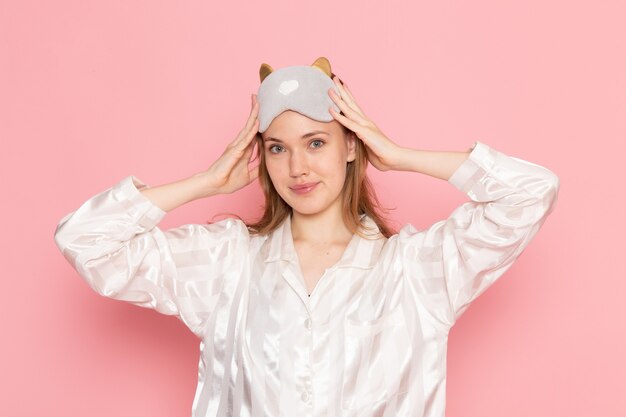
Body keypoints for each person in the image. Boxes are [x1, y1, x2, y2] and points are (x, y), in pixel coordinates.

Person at [54, 56, 560, 417]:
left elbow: (531, 193)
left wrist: (400, 154)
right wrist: (206, 182)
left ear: (349, 146)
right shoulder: (226, 263)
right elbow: (86, 240)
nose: (298, 167)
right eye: (277, 148)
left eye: (316, 142)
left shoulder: (417, 270)